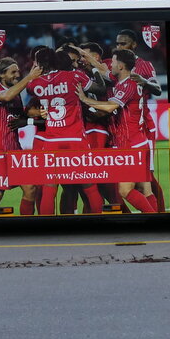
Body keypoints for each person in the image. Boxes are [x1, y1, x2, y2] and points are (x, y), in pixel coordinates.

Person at [76, 48, 157, 213]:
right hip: (138, 140)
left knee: (124, 191)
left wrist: (85, 99)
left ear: (120, 66)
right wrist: (87, 57)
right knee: (145, 190)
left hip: (131, 144)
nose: (109, 65)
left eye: (112, 62)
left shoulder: (128, 85)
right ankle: (156, 219)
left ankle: (152, 217)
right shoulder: (126, 80)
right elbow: (103, 69)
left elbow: (110, 106)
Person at [28, 47, 103, 216]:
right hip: (76, 139)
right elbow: (100, 88)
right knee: (90, 187)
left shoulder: (35, 84)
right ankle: (99, 222)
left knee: (49, 188)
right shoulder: (74, 76)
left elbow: (30, 88)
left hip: (51, 140)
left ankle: (47, 227)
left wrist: (36, 72)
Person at [109, 29, 166, 212]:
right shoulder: (117, 65)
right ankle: (156, 215)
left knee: (147, 179)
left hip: (143, 127)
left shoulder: (144, 65)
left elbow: (157, 89)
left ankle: (159, 211)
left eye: (123, 43)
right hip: (126, 128)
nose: (119, 46)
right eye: (117, 43)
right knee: (142, 183)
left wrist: (143, 80)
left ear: (134, 45)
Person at [0, 57, 42, 216]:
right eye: (13, 72)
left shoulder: (16, 94)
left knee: (30, 188)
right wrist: (29, 77)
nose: (17, 74)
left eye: (18, 71)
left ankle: (27, 226)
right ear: (2, 74)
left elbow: (20, 114)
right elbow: (5, 97)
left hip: (15, 149)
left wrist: (33, 115)